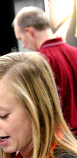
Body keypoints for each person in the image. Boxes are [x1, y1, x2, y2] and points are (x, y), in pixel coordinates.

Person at [13, 6, 77, 135]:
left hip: (61, 138)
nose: (23, 45)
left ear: (30, 32)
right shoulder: (75, 53)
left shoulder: (38, 63)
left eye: (20, 38)